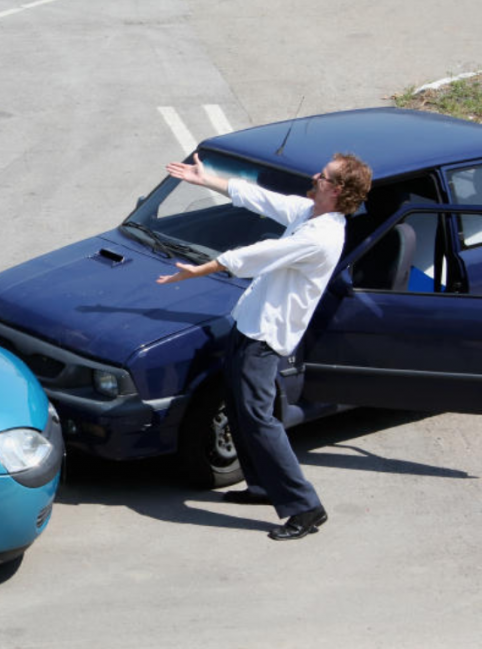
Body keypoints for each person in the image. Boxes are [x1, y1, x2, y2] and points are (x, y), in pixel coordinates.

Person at [156, 151, 372, 540]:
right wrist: (207, 181)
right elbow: (261, 198)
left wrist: (204, 268)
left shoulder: (320, 237)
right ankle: (260, 487)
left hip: (265, 338)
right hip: (250, 325)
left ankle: (306, 507)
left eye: (322, 175)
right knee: (242, 410)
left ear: (336, 190)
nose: (314, 175)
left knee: (258, 419)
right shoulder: (310, 212)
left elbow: (261, 254)